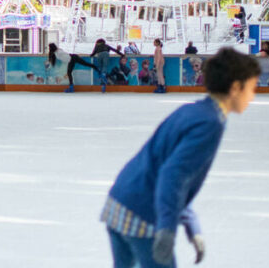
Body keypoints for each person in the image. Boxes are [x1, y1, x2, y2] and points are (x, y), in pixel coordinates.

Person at [101, 47, 260, 268]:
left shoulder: (193, 111)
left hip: (119, 202)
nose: (253, 96)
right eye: (252, 87)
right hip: (142, 212)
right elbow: (173, 175)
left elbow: (169, 171)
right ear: (235, 88)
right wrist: (167, 229)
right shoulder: (210, 123)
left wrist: (191, 225)